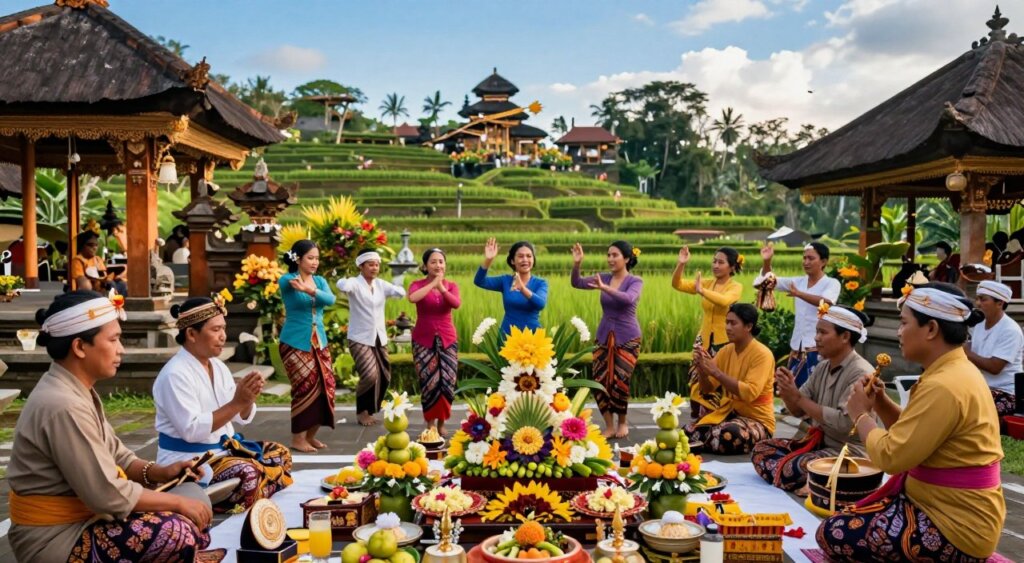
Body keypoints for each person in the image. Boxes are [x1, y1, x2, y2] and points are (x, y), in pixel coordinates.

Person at [7, 291, 212, 563]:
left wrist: (163, 472)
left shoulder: (76, 390)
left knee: (194, 496)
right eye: (113, 339)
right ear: (80, 347)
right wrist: (176, 503)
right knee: (175, 531)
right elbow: (108, 496)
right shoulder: (62, 404)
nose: (121, 349)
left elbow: (119, 457)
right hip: (54, 537)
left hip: (88, 517)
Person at [818, 283, 1005, 561]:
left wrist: (860, 414)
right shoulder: (950, 371)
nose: (898, 332)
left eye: (904, 323)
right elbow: (912, 433)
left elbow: (892, 457)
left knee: (834, 532)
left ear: (930, 329)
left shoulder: (945, 384)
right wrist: (880, 402)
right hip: (936, 505)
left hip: (956, 526)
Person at [155, 297, 293, 511]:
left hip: (225, 453)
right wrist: (238, 402)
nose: (223, 336)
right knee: (249, 473)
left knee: (280, 454)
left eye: (224, 329)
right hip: (191, 461)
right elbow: (191, 430)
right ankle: (211, 495)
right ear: (191, 334)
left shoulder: (218, 366)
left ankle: (236, 492)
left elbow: (239, 416)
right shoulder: (174, 374)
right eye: (216, 330)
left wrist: (247, 400)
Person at [751, 304, 875, 492]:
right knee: (760, 450)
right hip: (817, 445)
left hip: (848, 452)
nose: (816, 338)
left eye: (823, 333)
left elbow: (845, 424)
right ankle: (816, 481)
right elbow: (799, 410)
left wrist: (798, 398)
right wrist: (788, 392)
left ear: (845, 337)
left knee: (793, 467)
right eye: (817, 332)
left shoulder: (861, 373)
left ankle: (820, 481)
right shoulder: (822, 367)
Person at [571, 241, 643, 439]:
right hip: (604, 335)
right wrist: (577, 264)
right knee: (601, 380)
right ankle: (609, 425)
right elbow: (576, 283)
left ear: (627, 259)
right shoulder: (603, 278)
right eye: (608, 255)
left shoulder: (635, 281)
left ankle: (622, 422)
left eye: (615, 255)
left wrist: (605, 288)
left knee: (620, 380)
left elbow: (628, 299)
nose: (610, 259)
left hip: (628, 336)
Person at [686, 303, 775, 454]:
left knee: (729, 434)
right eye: (726, 322)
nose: (727, 327)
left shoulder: (762, 354)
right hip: (728, 414)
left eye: (733, 323)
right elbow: (707, 389)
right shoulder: (725, 351)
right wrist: (701, 368)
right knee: (686, 432)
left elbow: (750, 393)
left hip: (758, 421)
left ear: (748, 326)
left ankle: (705, 440)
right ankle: (706, 439)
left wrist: (716, 373)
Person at [753, 242, 840, 387]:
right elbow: (769, 281)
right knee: (793, 391)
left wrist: (798, 294)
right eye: (804, 258)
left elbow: (827, 302)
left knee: (815, 391)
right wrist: (767, 261)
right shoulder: (798, 281)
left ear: (823, 261)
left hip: (817, 347)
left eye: (811, 258)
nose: (806, 262)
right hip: (797, 347)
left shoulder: (831, 283)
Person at [336, 249, 406, 426]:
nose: (375, 268)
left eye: (377, 264)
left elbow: (401, 292)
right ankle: (361, 411)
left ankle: (370, 409)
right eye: (370, 264)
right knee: (369, 375)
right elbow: (343, 285)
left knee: (384, 375)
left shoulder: (381, 285)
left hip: (378, 337)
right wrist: (347, 282)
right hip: (359, 337)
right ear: (361, 266)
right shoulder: (355, 283)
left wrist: (398, 284)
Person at [279, 240, 337, 452]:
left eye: (316, 258)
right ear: (298, 259)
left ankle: (310, 436)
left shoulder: (320, 281)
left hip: (318, 341)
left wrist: (311, 290)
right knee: (305, 386)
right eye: (310, 258)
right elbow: (292, 288)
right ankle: (298, 438)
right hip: (295, 341)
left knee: (327, 385)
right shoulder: (287, 279)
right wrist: (304, 287)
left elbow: (330, 299)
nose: (314, 262)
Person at [408, 248, 461, 436]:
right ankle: (429, 424)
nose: (438, 265)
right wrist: (432, 285)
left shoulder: (451, 285)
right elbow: (412, 298)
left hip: (448, 339)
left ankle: (441, 423)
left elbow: (455, 303)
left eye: (441, 261)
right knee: (429, 382)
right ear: (425, 266)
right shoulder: (417, 284)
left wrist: (442, 287)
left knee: (447, 382)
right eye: (433, 262)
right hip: (423, 340)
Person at [966, 280, 1022, 418]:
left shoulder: (1010, 330)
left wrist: (965, 352)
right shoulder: (979, 325)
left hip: (1007, 393)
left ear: (1000, 303)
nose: (978, 304)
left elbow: (994, 367)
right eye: (977, 299)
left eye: (983, 299)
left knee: (970, 412)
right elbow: (969, 348)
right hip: (981, 388)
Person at [672, 245, 743, 352]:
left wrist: (702, 291)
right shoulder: (706, 283)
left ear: (732, 267)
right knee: (696, 368)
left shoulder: (735, 286)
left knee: (718, 369)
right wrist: (681, 264)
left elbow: (724, 301)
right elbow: (677, 284)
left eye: (721, 262)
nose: (716, 266)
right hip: (702, 339)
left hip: (724, 340)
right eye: (714, 261)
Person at [474, 238, 548, 335]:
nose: (525, 259)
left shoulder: (540, 283)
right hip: (507, 335)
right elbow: (479, 281)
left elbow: (540, 304)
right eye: (520, 256)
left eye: (529, 256)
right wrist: (489, 259)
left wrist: (522, 288)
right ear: (513, 261)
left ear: (533, 260)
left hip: (532, 336)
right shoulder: (505, 281)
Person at [69, 230, 126, 295]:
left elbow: (105, 275)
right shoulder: (78, 260)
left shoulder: (98, 259)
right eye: (90, 245)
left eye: (96, 245)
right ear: (82, 245)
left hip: (104, 290)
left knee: (123, 284)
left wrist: (111, 279)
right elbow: (83, 283)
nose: (94, 248)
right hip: (91, 294)